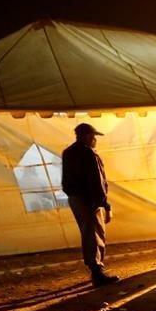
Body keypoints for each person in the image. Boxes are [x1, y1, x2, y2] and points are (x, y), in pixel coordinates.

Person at [61, 123, 119, 286]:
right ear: (87, 136)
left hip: (75, 199)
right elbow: (97, 182)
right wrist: (105, 205)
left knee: (87, 233)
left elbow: (66, 181)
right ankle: (97, 273)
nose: (95, 140)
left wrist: (74, 195)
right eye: (94, 137)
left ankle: (95, 270)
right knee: (95, 234)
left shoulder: (68, 153)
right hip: (90, 200)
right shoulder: (89, 154)